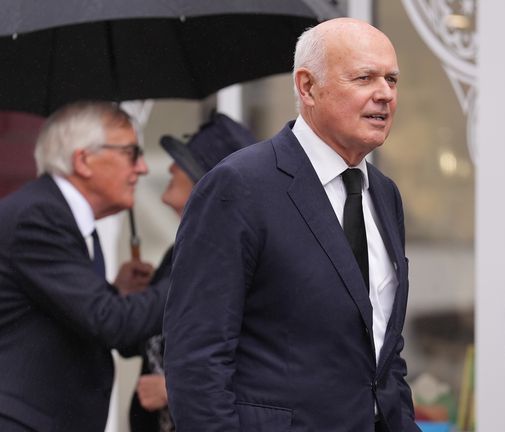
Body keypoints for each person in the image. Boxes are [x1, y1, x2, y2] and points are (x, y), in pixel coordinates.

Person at [163, 17, 420, 432]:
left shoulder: (384, 193)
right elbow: (197, 356)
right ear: (307, 86)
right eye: (364, 77)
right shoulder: (240, 185)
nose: (385, 94)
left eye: (391, 79)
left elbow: (381, 343)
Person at [0, 101, 168, 431]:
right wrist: (194, 279)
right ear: (84, 160)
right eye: (132, 153)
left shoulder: (54, 214)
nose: (143, 168)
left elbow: (64, 312)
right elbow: (109, 322)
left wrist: (115, 293)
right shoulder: (39, 217)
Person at [128, 112, 255, 432]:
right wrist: (129, 295)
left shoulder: (241, 263)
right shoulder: (178, 254)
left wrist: (174, 389)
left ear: (208, 184)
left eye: (183, 162)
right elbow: (137, 338)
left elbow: (268, 362)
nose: (170, 167)